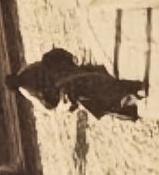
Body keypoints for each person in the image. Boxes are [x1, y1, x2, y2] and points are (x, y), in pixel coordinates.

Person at [13, 46, 141, 122]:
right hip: (70, 86)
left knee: (98, 93)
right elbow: (49, 104)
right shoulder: (26, 85)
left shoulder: (27, 77)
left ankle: (129, 101)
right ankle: (129, 104)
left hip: (70, 80)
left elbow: (45, 63)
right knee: (98, 97)